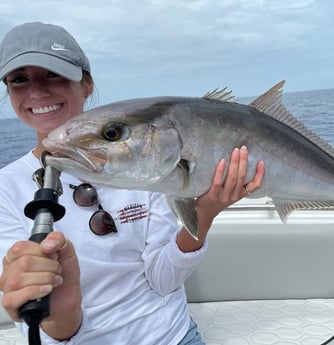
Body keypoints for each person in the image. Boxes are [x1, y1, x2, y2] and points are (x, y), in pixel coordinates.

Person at [0, 22, 264, 344]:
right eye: (19, 80)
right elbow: (49, 328)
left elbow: (163, 280)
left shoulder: (147, 161)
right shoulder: (5, 189)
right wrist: (62, 310)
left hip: (173, 336)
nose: (37, 92)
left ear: (86, 84)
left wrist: (205, 212)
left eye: (53, 74)